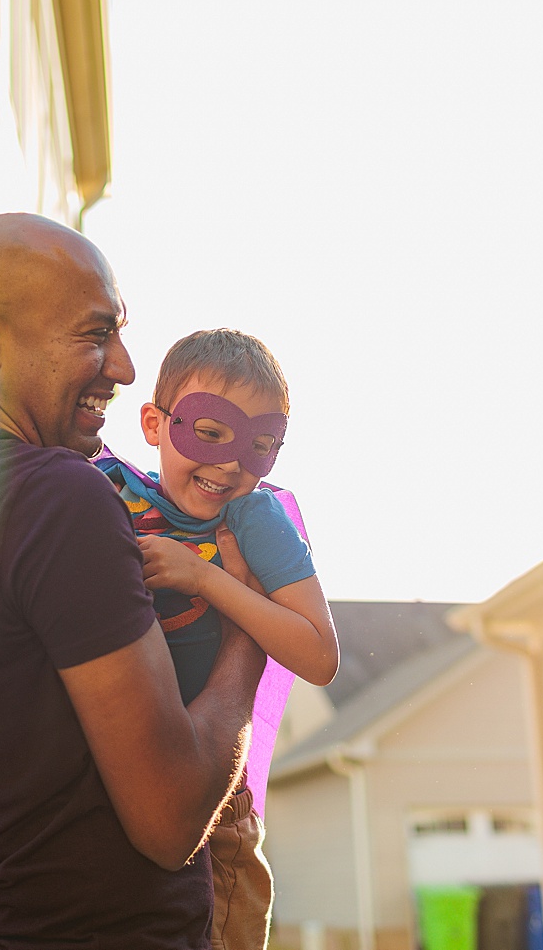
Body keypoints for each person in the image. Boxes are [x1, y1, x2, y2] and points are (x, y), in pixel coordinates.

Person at [0, 213, 267, 949]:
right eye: (93, 334)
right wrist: (247, 635)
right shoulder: (58, 497)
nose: (125, 366)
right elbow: (171, 819)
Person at [97, 328, 338, 950]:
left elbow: (319, 654)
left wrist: (205, 577)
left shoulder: (255, 518)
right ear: (153, 423)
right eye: (210, 432)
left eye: (261, 445)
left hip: (217, 804)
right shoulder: (105, 493)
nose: (231, 463)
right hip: (116, 774)